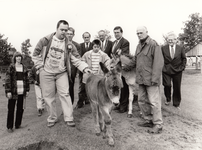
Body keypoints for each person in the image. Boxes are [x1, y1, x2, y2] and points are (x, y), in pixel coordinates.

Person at [32, 20, 92, 128]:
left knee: (65, 94)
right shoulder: (45, 40)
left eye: (66, 30)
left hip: (61, 73)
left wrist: (85, 68)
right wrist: (40, 67)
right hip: (46, 72)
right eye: (62, 29)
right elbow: (35, 54)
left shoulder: (69, 44)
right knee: (48, 97)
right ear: (56, 29)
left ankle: (69, 118)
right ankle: (52, 118)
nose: (64, 32)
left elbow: (76, 59)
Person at [124, 26, 164, 134]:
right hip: (141, 80)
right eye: (137, 33)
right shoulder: (138, 46)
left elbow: (159, 63)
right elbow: (135, 61)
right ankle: (148, 120)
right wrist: (125, 68)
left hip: (151, 80)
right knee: (141, 101)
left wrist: (155, 79)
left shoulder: (153, 45)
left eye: (141, 32)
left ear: (147, 32)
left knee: (154, 102)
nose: (139, 34)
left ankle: (158, 124)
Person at [5, 52, 30, 133]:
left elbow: (27, 80)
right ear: (15, 58)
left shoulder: (24, 67)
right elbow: (8, 80)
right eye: (17, 57)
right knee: (11, 109)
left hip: (21, 92)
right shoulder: (11, 67)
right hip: (13, 92)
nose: (18, 58)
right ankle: (9, 126)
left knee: (20, 109)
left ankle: (17, 124)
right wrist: (8, 91)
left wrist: (27, 90)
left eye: (20, 57)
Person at [161, 32, 187, 109]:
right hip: (166, 70)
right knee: (167, 85)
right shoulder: (163, 48)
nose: (170, 41)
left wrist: (182, 68)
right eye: (168, 40)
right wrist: (162, 68)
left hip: (177, 71)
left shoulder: (180, 48)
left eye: (172, 40)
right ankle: (168, 98)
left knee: (177, 87)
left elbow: (184, 59)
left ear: (175, 40)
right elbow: (161, 59)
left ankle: (176, 103)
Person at [112, 26, 130, 113]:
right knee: (118, 86)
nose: (116, 34)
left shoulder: (125, 42)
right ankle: (119, 104)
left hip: (122, 67)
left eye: (118, 32)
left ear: (121, 32)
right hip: (116, 68)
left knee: (124, 86)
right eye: (115, 32)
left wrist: (118, 55)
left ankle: (123, 106)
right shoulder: (114, 42)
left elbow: (124, 55)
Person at [77, 32, 93, 108]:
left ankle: (88, 100)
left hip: (92, 69)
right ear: (83, 38)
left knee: (91, 85)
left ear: (90, 37)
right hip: (82, 69)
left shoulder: (94, 45)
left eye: (87, 37)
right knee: (82, 86)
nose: (86, 39)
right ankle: (80, 102)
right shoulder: (80, 46)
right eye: (85, 37)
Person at [66, 27, 81, 104]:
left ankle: (70, 105)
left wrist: (77, 72)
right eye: (67, 34)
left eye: (71, 34)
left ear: (73, 35)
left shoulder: (77, 45)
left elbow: (78, 58)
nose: (69, 35)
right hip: (63, 69)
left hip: (72, 70)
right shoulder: (63, 43)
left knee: (70, 87)